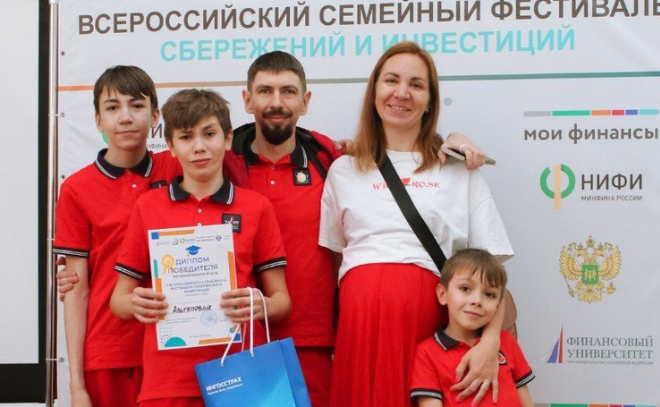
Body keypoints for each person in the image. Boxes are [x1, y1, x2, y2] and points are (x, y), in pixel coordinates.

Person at [57, 52, 488, 407]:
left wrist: (449, 141)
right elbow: (144, 165)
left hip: (310, 337)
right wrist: (85, 270)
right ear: (248, 100)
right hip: (231, 346)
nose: (276, 102)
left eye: (288, 91)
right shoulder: (219, 156)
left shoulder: (331, 159)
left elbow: (392, 150)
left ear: (306, 100)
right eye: (265, 91)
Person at [319, 42, 514, 407]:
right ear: (374, 91)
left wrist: (491, 342)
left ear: (430, 101)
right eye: (391, 80)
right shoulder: (343, 169)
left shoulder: (458, 170)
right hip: (358, 326)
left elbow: (493, 274)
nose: (402, 93)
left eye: (416, 85)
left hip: (426, 323)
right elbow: (334, 262)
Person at [109, 88, 292, 407]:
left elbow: (282, 301)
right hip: (167, 381)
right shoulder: (148, 207)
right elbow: (118, 301)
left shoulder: (256, 207)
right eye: (186, 137)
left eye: (209, 134)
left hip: (240, 378)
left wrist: (262, 305)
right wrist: (135, 303)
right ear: (170, 145)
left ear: (228, 138)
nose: (199, 147)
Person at [53, 66, 180, 407]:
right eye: (112, 107)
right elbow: (76, 290)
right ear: (98, 120)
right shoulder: (76, 189)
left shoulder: (179, 168)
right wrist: (77, 386)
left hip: (177, 347)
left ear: (156, 116)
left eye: (136, 105)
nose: (125, 117)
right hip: (109, 353)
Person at [410, 249, 534, 407]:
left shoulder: (507, 341)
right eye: (465, 288)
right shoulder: (427, 353)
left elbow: (524, 396)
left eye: (489, 294)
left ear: (498, 305)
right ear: (442, 294)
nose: (477, 301)